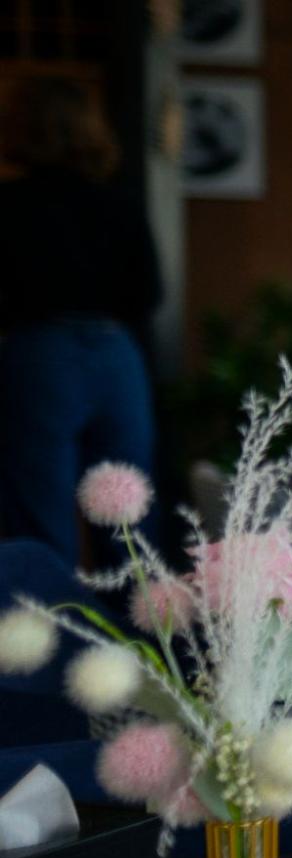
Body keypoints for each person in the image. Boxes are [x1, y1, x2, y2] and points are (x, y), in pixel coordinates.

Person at [0, 78, 162, 565]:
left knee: (39, 514)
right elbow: (149, 293)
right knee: (129, 516)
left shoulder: (8, 203)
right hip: (116, 354)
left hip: (39, 353)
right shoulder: (119, 202)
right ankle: (141, 637)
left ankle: (50, 635)